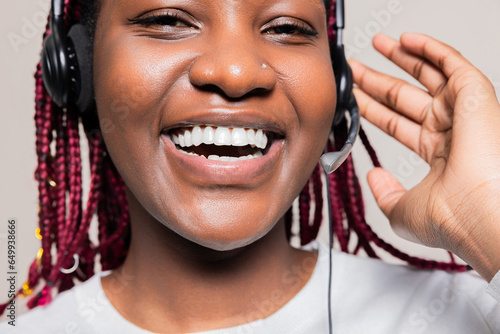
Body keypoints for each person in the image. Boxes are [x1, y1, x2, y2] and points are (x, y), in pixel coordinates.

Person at [1, 0, 500, 332]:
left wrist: (487, 220)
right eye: (169, 20)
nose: (236, 72)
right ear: (76, 72)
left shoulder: (468, 316)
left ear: (338, 85)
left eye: (286, 28)